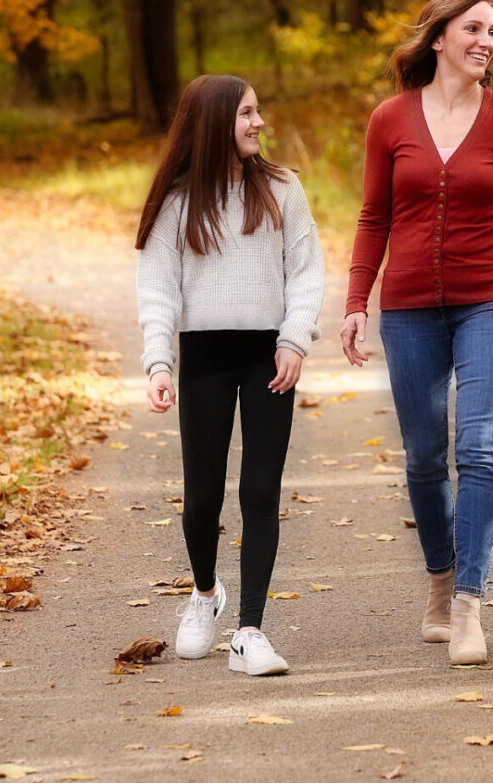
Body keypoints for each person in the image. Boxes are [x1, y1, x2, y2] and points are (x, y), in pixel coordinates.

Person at [341, 0, 493, 666]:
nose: (486, 42)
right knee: (423, 455)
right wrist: (357, 300)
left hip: (488, 302)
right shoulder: (389, 120)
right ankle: (440, 583)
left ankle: (470, 605)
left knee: (477, 445)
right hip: (409, 305)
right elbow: (372, 218)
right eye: (474, 28)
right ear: (439, 38)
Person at [136, 74, 324, 677]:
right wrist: (159, 362)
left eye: (258, 111)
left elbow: (307, 271)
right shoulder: (177, 203)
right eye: (246, 113)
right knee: (202, 497)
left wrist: (295, 340)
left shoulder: (283, 190)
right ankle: (204, 592)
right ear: (216, 121)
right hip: (205, 356)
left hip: (269, 355)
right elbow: (158, 289)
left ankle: (249, 630)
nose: (258, 122)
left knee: (260, 491)